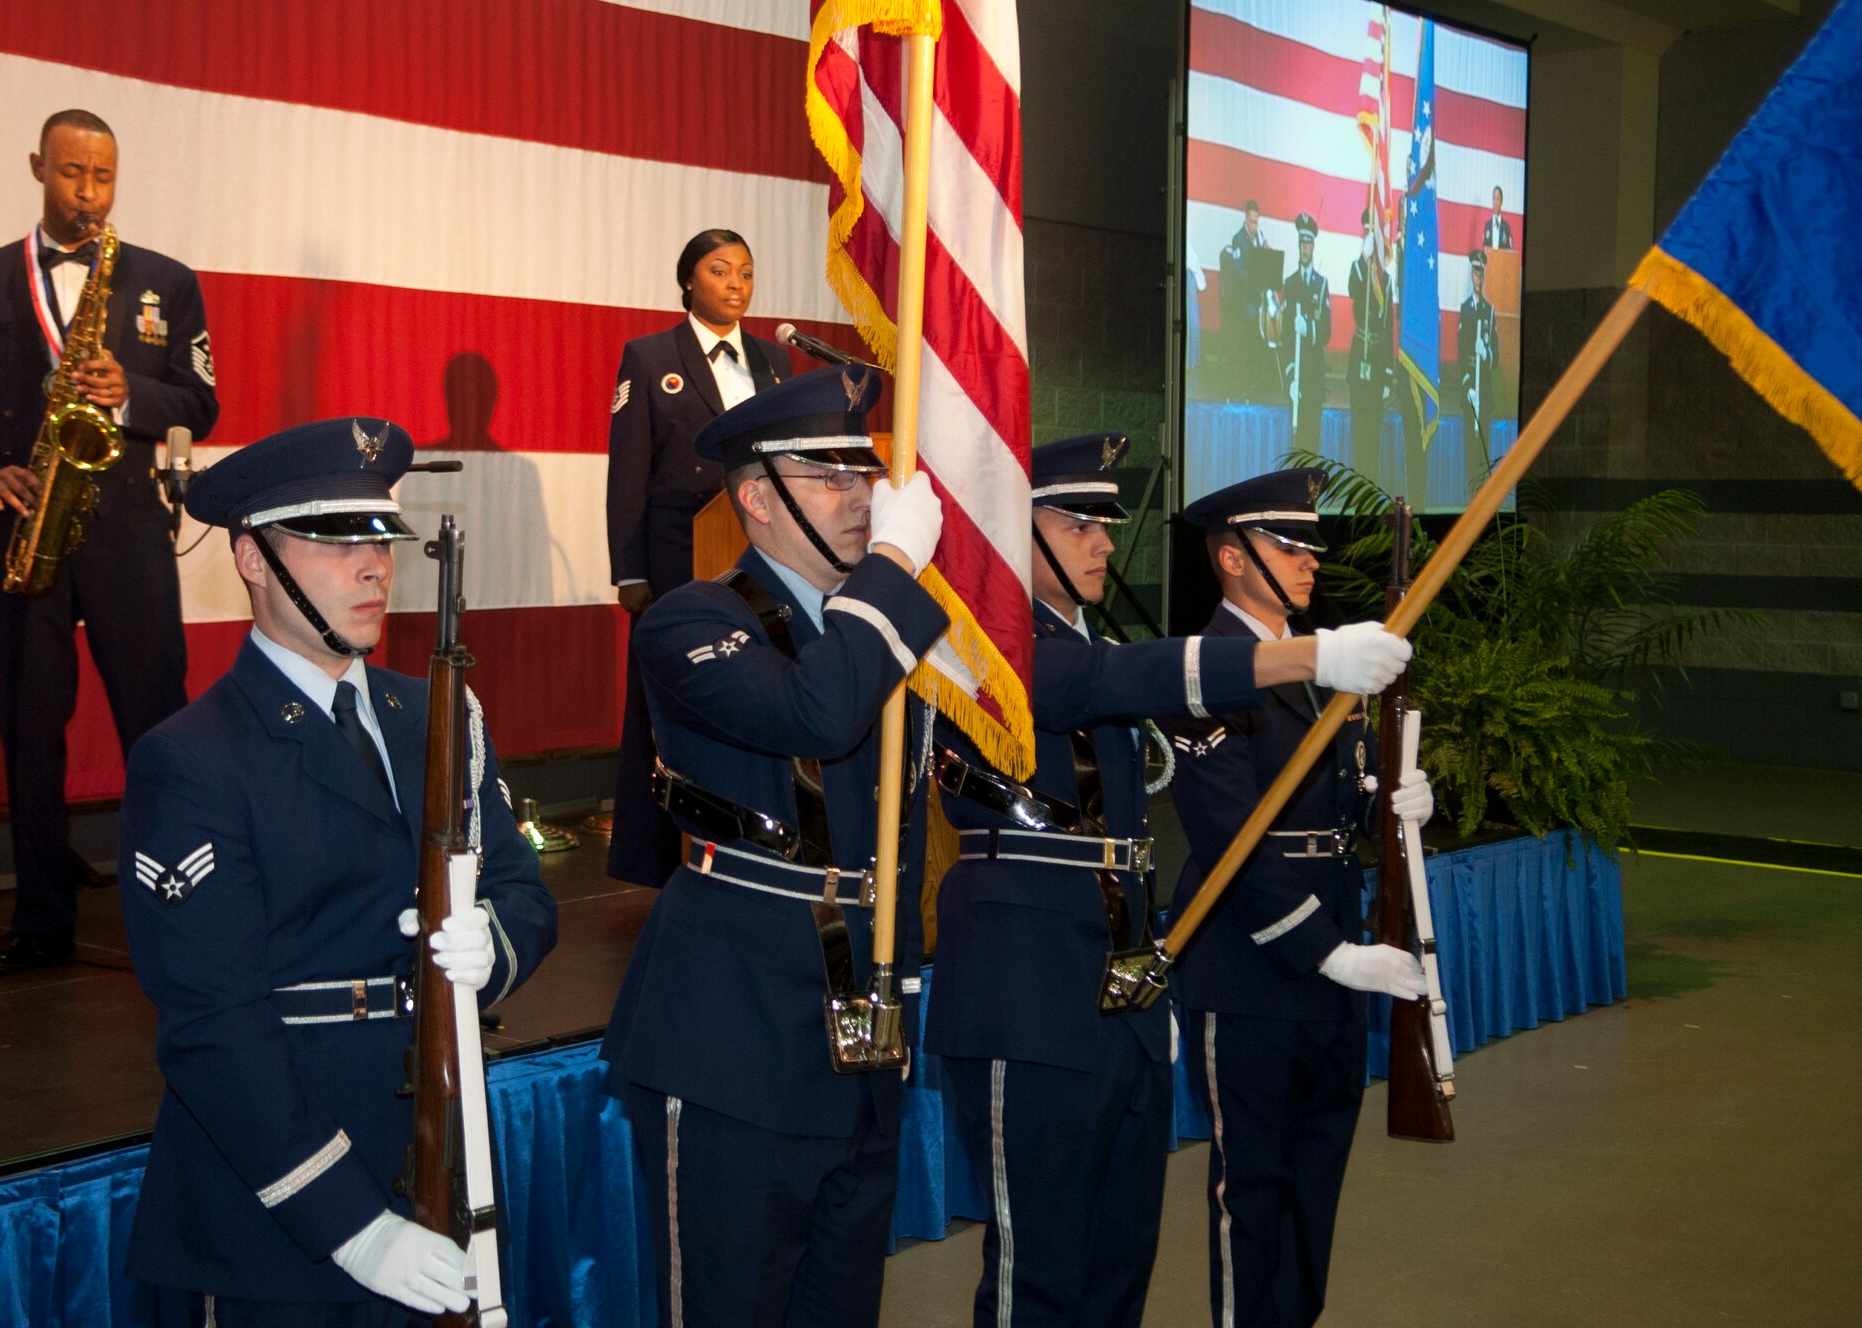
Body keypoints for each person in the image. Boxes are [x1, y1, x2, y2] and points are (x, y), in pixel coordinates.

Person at [924, 437, 1413, 1328]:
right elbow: (1116, 679)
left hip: (1120, 995)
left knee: (1118, 1265)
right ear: (1005, 530)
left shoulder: (1088, 641)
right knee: (1037, 1270)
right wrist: (1308, 659)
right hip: (1024, 990)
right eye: (1075, 523)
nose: (1104, 544)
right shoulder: (982, 650)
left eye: (1105, 526)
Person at [118, 418, 559, 1325]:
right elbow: (214, 1025)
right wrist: (353, 1225)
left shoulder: (432, 712)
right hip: (278, 1206)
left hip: (438, 1161)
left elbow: (522, 889)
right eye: (332, 539)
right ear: (250, 558)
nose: (372, 566)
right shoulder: (195, 760)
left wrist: (493, 951)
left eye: (380, 538)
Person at [600, 364, 948, 1328]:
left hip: (859, 1043)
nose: (860, 495)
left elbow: (899, 831)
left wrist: (904, 982)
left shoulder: (874, 632)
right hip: (735, 1043)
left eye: (863, 472)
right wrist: (892, 572)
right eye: (826, 474)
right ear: (756, 497)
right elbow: (818, 711)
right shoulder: (694, 619)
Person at [0, 108, 219, 976]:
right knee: (30, 728)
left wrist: (133, 396)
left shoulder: (165, 279)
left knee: (158, 725)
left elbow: (200, 402)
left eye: (104, 177)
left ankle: (183, 912)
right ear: (37, 168)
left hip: (125, 525)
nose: (89, 193)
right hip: (23, 524)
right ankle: (42, 919)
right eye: (72, 174)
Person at [1166, 468, 1435, 1328]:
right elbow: (1231, 845)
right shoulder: (1207, 672)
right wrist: (1330, 951)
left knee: (1315, 1185)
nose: (1308, 563)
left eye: (1310, 547)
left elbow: (1337, 801)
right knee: (1253, 1190)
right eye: (1287, 548)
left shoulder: (1326, 666)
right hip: (1250, 972)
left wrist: (1395, 800)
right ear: (1231, 560)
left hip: (1330, 976)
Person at [603, 228, 794, 889]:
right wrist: (629, 569)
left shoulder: (772, 362)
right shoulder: (652, 356)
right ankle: (659, 856)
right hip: (679, 556)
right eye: (721, 271)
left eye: (746, 271)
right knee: (669, 704)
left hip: (760, 554)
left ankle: (754, 837)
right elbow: (628, 470)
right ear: (689, 281)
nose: (737, 284)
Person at [1347, 208, 1395, 485]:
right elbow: (1354, 288)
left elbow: (1387, 328)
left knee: (1373, 430)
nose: (1369, 236)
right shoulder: (1358, 270)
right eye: (1366, 231)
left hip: (1376, 361)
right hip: (1358, 356)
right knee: (1358, 428)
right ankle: (1356, 483)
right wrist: (1362, 259)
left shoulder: (1385, 282)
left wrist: (1388, 372)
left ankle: (1371, 484)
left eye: (1372, 233)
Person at [1282, 213, 1332, 454]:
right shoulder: (1290, 284)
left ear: (1313, 246)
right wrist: (1291, 374)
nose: (1304, 248)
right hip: (1297, 376)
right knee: (1297, 442)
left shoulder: (1321, 285)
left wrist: (1308, 329)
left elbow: (1326, 331)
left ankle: (1313, 492)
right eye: (1301, 243)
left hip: (1313, 374)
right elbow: (1285, 338)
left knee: (1312, 442)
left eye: (1308, 243)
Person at [1218, 199, 1271, 400]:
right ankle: (1244, 382)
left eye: (1256, 222)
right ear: (1245, 218)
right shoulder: (1238, 239)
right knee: (1253, 320)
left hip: (1255, 297)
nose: (1253, 226)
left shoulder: (1259, 239)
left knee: (1264, 321)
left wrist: (1267, 254)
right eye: (1251, 222)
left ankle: (1257, 381)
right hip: (1241, 299)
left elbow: (1264, 270)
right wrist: (1258, 270)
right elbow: (1240, 273)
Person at [1458, 247, 1501, 487]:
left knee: (1483, 446)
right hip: (1470, 391)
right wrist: (1467, 385)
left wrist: (1486, 352)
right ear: (1471, 275)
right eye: (1475, 274)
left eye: (1481, 274)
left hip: (1483, 387)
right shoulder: (1465, 310)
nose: (1478, 279)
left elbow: (1497, 359)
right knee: (1469, 446)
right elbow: (1460, 353)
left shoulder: (1490, 311)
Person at [1483, 186, 1514, 251]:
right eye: (1494, 199)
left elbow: (1509, 250)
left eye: (1498, 199)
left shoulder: (1506, 227)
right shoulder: (1487, 225)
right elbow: (1484, 248)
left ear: (1501, 202)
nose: (1496, 202)